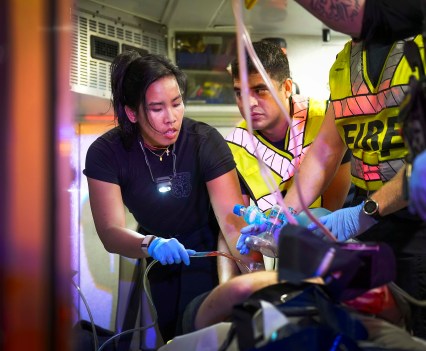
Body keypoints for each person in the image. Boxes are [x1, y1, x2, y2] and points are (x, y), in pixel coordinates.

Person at [274, 0, 426, 338]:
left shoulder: (419, 44)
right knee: (368, 329)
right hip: (369, 219)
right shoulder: (344, 64)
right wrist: (284, 213)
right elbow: (326, 150)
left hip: (417, 222)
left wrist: (360, 214)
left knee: (414, 331)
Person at [83, 51, 259, 342]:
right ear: (131, 112)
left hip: (208, 246)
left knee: (206, 331)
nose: (172, 118)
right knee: (174, 336)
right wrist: (150, 244)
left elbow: (233, 225)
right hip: (158, 250)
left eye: (177, 103)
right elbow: (110, 233)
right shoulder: (106, 154)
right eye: (157, 108)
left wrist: (257, 284)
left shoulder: (204, 141)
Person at [225, 40, 351, 255]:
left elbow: (333, 205)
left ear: (287, 87)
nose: (249, 103)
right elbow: (239, 220)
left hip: (337, 240)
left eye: (260, 90)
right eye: (239, 93)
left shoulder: (325, 119)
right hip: (280, 251)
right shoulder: (234, 147)